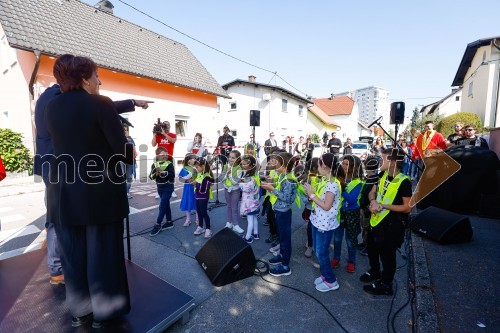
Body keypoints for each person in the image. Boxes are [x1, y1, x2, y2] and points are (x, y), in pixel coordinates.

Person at [33, 79, 150, 287]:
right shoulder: (56, 100)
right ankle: (58, 269)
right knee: (58, 219)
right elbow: (94, 106)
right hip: (60, 166)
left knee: (61, 216)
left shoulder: (49, 97)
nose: (98, 83)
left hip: (59, 165)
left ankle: (65, 267)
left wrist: (131, 102)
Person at [45, 54, 133, 328]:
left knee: (73, 256)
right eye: (96, 75)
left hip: (63, 193)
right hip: (99, 192)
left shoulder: (51, 106)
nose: (99, 80)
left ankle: (80, 310)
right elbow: (124, 153)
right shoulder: (101, 104)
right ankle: (105, 313)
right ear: (84, 78)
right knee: (103, 254)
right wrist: (127, 144)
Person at [361, 148, 412, 296]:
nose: (379, 162)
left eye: (382, 159)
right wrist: (372, 202)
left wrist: (383, 205)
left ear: (392, 162)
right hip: (376, 220)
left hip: (392, 226)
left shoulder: (404, 182)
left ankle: (386, 284)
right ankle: (375, 271)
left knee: (387, 256)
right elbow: (372, 192)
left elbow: (407, 208)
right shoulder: (382, 174)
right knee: (371, 248)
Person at [303, 153, 342, 292]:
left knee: (321, 252)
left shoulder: (332, 184)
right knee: (318, 250)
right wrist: (310, 193)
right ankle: (325, 275)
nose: (316, 167)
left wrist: (312, 194)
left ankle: (331, 280)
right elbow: (319, 199)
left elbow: (326, 205)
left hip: (324, 225)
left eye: (318, 164)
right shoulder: (325, 180)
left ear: (324, 165)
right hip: (317, 220)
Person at [261, 152, 298, 277]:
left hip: (284, 212)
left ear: (284, 165)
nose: (274, 164)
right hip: (280, 210)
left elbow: (286, 198)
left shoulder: (289, 179)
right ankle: (282, 256)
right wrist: (272, 182)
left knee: (285, 238)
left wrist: (272, 189)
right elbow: (281, 188)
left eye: (277, 162)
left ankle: (285, 265)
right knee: (282, 236)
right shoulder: (283, 176)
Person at [332, 155, 362, 273]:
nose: (343, 166)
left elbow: (351, 199)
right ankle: (336, 258)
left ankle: (351, 261)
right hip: (339, 212)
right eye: (342, 163)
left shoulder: (357, 182)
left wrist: (342, 188)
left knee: (350, 240)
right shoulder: (338, 178)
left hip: (352, 213)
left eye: (346, 164)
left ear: (354, 167)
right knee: (337, 238)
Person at [149, 147, 175, 236]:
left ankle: (158, 224)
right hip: (160, 188)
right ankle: (169, 221)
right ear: (157, 155)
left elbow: (172, 174)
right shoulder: (154, 165)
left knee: (162, 206)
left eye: (166, 154)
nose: (165, 156)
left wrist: (164, 173)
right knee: (166, 204)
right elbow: (151, 176)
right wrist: (155, 173)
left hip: (168, 187)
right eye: (163, 154)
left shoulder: (169, 163)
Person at [297, 157, 319, 258]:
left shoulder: (323, 178)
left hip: (321, 208)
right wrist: (309, 197)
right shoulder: (306, 178)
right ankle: (310, 245)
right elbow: (303, 195)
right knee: (310, 227)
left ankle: (313, 243)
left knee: (317, 228)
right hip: (311, 207)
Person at [358, 156, 380, 256]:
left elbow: (371, 194)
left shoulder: (374, 179)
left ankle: (368, 246)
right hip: (364, 207)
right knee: (364, 226)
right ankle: (364, 242)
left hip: (368, 207)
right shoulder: (370, 177)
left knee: (367, 227)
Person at [191, 157, 215, 238]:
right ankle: (200, 227)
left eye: (197, 167)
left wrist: (195, 184)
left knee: (204, 212)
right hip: (198, 196)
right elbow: (198, 182)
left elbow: (205, 187)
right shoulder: (200, 174)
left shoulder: (207, 176)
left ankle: (208, 229)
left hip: (204, 196)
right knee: (199, 212)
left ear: (203, 166)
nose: (196, 168)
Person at [239, 155, 261, 243]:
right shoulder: (256, 174)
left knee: (250, 219)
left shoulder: (249, 176)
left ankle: (248, 237)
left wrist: (240, 184)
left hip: (249, 202)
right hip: (255, 200)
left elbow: (247, 188)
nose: (243, 166)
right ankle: (256, 233)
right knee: (254, 217)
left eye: (244, 164)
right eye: (242, 164)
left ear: (251, 165)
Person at [223, 150, 245, 234]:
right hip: (226, 189)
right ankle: (229, 223)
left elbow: (235, 181)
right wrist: (226, 174)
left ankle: (236, 225)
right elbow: (222, 179)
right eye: (229, 157)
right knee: (228, 206)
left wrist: (229, 175)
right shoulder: (225, 166)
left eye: (233, 158)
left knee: (234, 207)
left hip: (235, 190)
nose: (230, 159)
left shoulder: (239, 168)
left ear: (237, 159)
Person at [179, 153, 199, 227]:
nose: (194, 160)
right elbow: (180, 178)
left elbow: (201, 176)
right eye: (192, 158)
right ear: (188, 160)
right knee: (188, 201)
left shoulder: (198, 168)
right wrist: (186, 179)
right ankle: (188, 219)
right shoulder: (185, 168)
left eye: (195, 158)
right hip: (188, 188)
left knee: (197, 202)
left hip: (196, 187)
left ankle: (198, 218)